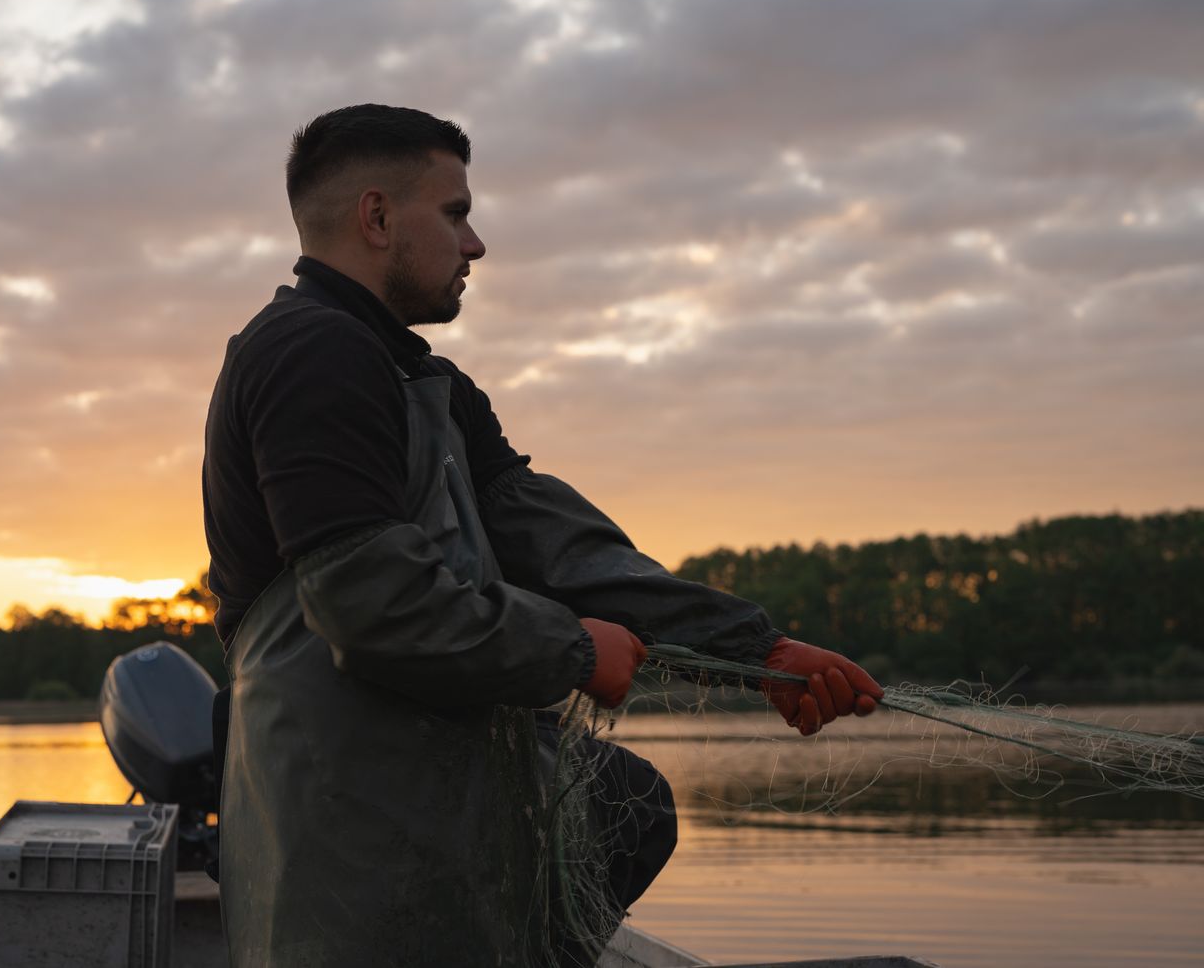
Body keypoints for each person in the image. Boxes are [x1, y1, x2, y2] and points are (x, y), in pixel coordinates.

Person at [202, 104, 883, 967]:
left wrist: (757, 649)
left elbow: (557, 544)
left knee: (625, 802)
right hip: (353, 830)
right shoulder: (308, 353)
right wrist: (569, 649)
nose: (475, 244)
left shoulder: (429, 381)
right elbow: (368, 601)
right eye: (454, 214)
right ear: (376, 218)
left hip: (445, 793)